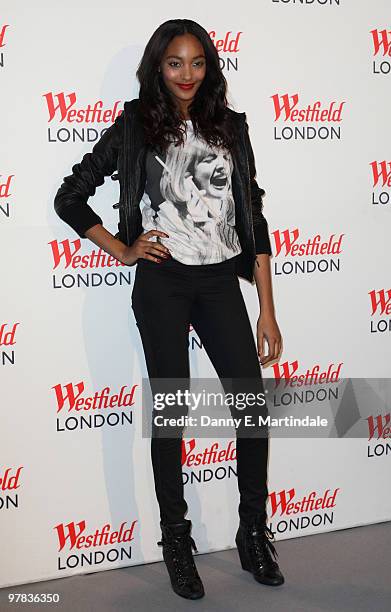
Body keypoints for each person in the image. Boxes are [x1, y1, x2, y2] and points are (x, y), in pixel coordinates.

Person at [54, 18, 284, 601]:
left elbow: (252, 218)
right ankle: (176, 543)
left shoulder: (230, 127)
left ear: (209, 67)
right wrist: (123, 249)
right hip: (161, 282)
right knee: (172, 415)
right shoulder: (136, 125)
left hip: (218, 282)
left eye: (197, 63)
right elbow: (70, 196)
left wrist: (267, 308)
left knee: (251, 408)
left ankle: (254, 534)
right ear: (159, 67)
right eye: (175, 63)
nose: (186, 74)